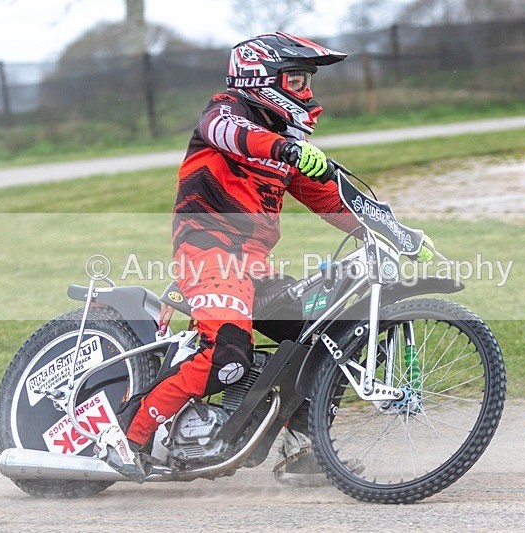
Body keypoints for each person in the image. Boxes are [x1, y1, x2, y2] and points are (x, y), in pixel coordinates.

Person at [100, 32, 364, 484]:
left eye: (307, 81)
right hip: (207, 253)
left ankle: (304, 449)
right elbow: (231, 133)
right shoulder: (226, 112)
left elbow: (327, 197)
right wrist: (286, 148)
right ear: (261, 79)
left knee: (325, 335)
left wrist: (387, 228)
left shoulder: (283, 141)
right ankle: (126, 437)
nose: (306, 92)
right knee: (227, 353)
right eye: (296, 80)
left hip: (252, 266)